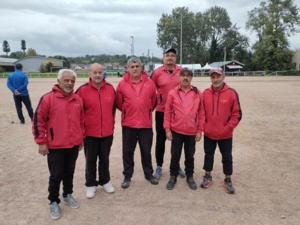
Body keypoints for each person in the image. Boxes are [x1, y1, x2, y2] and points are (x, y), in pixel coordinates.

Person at [32, 69, 85, 220]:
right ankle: (53, 201)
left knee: (69, 172)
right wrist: (41, 142)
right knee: (56, 175)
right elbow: (38, 121)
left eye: (72, 81)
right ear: (59, 81)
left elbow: (82, 122)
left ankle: (67, 194)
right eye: (66, 80)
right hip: (55, 146)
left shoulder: (78, 100)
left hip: (73, 145)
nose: (69, 83)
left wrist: (80, 138)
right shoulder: (48, 98)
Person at [116, 57, 158, 189]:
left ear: (141, 67)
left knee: (146, 151)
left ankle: (149, 174)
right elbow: (119, 103)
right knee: (128, 152)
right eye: (132, 67)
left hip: (145, 124)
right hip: (129, 124)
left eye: (137, 66)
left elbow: (153, 101)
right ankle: (127, 176)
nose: (135, 69)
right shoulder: (122, 84)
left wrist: (144, 110)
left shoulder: (149, 83)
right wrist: (130, 111)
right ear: (128, 68)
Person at [76, 63, 116, 198]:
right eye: (95, 72)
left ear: (103, 73)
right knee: (90, 160)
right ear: (90, 74)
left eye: (100, 72)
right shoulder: (82, 90)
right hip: (90, 133)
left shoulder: (110, 89)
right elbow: (77, 112)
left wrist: (111, 126)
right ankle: (91, 184)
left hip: (107, 132)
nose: (98, 75)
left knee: (105, 159)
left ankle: (105, 181)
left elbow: (113, 110)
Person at [200, 68, 242, 194]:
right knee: (208, 155)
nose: (215, 80)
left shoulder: (231, 93)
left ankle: (228, 179)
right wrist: (205, 127)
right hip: (209, 133)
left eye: (218, 76)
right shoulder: (205, 93)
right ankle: (207, 176)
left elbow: (237, 114)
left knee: (227, 157)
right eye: (213, 77)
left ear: (223, 77)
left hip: (225, 134)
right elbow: (201, 113)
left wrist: (228, 128)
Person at [164, 68, 203, 190]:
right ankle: (172, 176)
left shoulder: (197, 92)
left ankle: (190, 176)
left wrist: (199, 130)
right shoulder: (172, 93)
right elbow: (167, 112)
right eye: (183, 75)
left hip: (191, 131)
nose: (185, 78)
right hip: (176, 130)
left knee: (190, 155)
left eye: (188, 75)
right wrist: (167, 129)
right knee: (175, 155)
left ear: (191, 78)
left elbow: (201, 112)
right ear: (179, 77)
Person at [151, 48, 185, 179]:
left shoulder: (181, 71)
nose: (170, 58)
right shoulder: (157, 73)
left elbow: (185, 89)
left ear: (175, 58)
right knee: (160, 140)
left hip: (178, 112)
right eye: (167, 55)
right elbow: (150, 90)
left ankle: (176, 166)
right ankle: (159, 166)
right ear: (163, 58)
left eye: (172, 55)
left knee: (177, 141)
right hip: (161, 111)